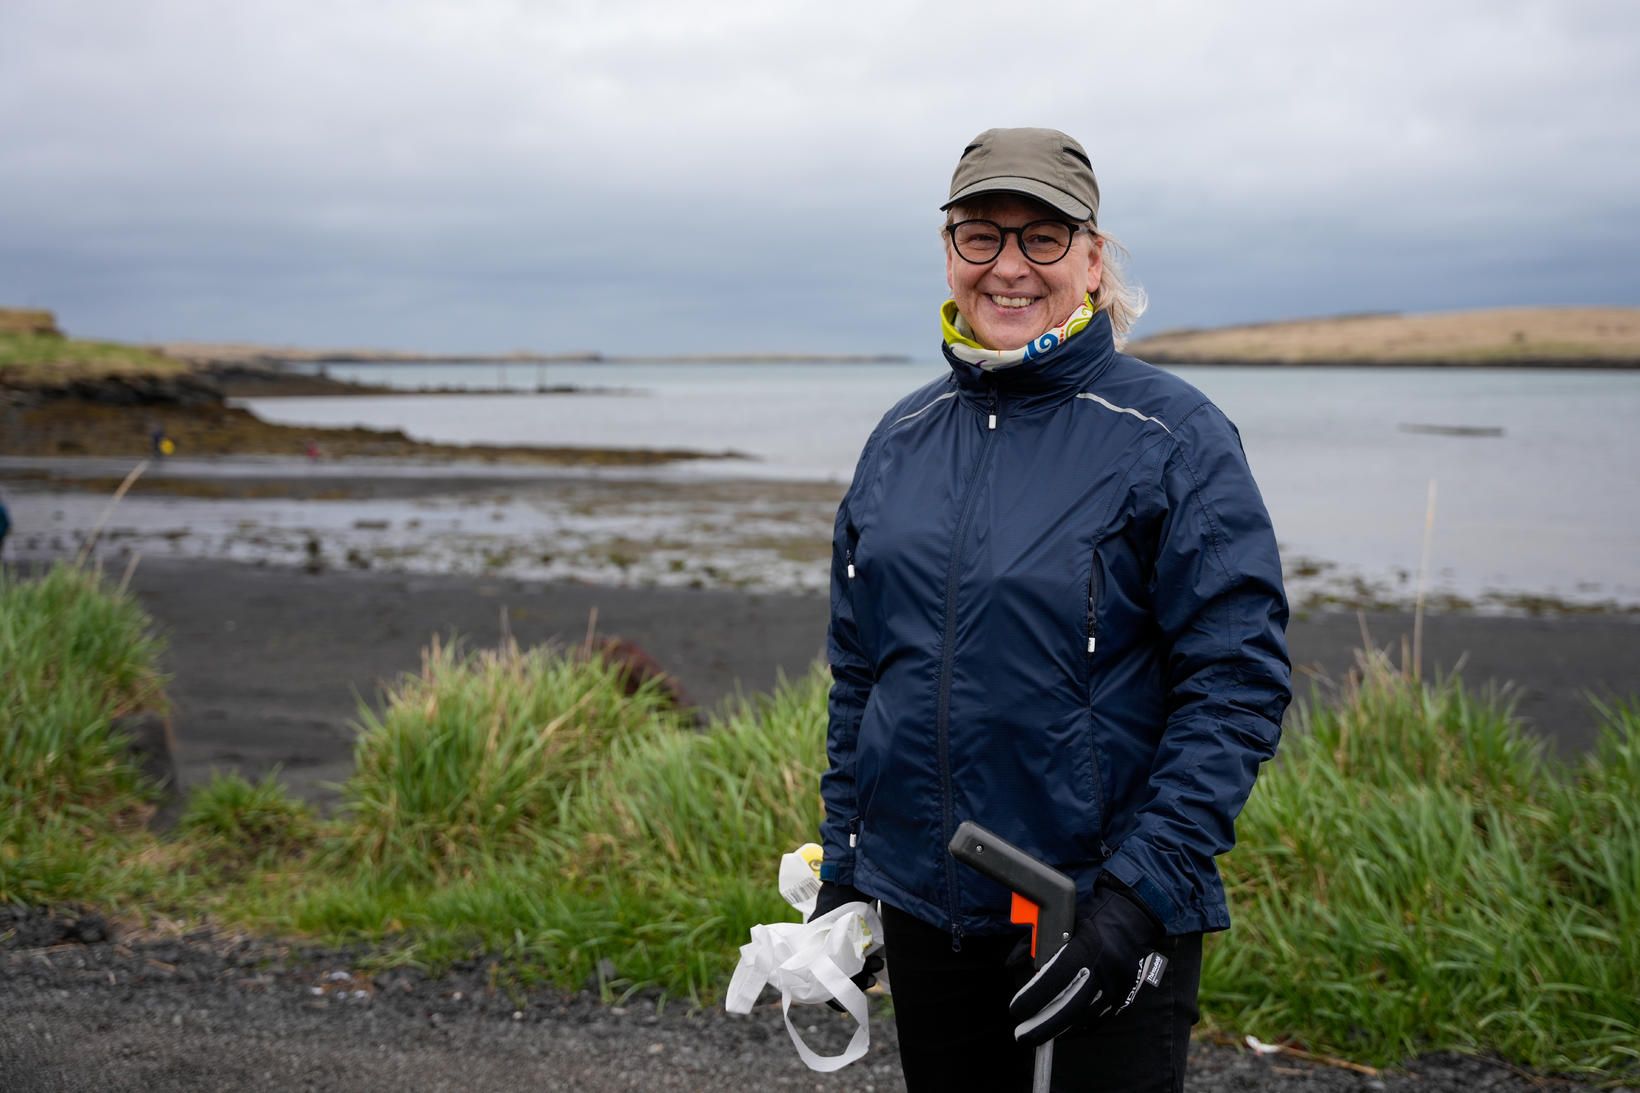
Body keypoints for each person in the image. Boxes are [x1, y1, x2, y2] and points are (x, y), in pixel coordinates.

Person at [812, 128, 1292, 1092]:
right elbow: (863, 673)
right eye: (982, 235)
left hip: (1092, 915)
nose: (1009, 267)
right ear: (949, 251)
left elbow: (1236, 685)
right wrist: (849, 866)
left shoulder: (1174, 436)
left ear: (1093, 258)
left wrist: (1136, 899)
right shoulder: (899, 439)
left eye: (1043, 238)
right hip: (924, 908)